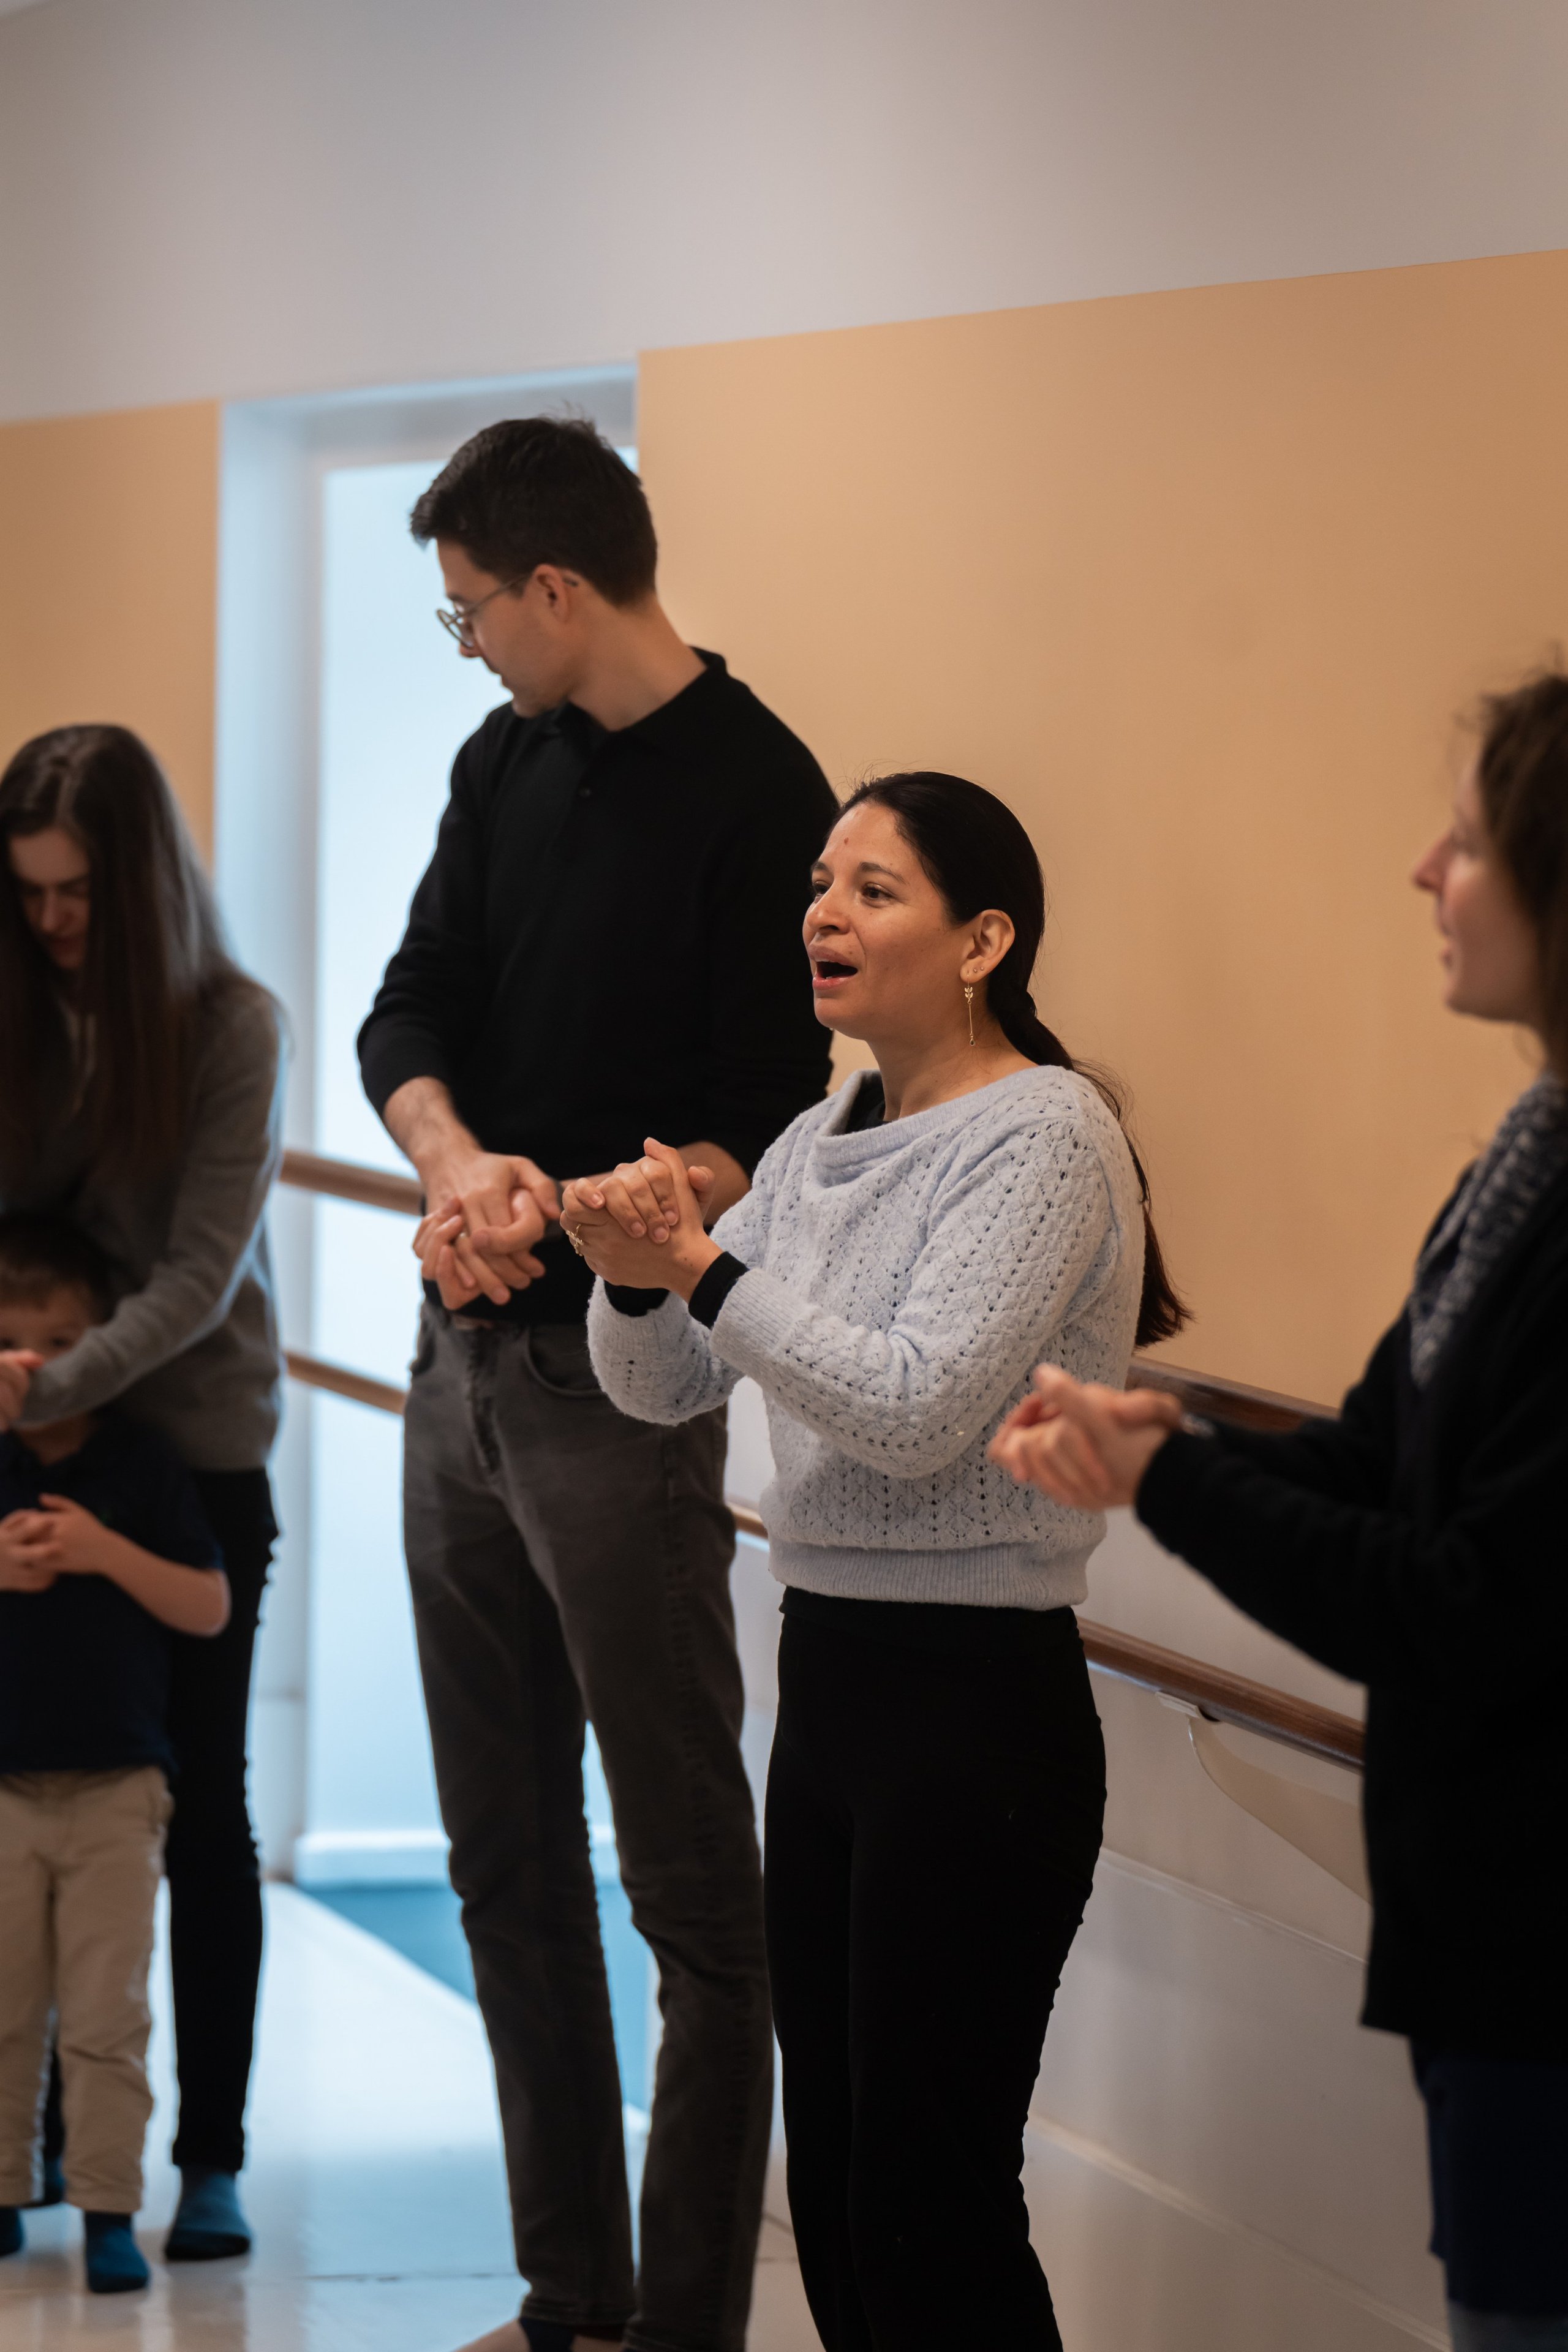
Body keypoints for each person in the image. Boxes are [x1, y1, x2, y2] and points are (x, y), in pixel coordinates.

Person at [562, 772, 1186, 2352]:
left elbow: (915, 1409)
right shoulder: (820, 1129)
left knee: (930, 2199)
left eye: (872, 889)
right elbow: (660, 1389)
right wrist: (636, 1279)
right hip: (832, 1682)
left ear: (982, 939)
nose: (821, 915)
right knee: (837, 2190)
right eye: (819, 884)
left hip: (973, 1709)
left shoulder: (1042, 1135)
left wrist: (704, 1268)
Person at [990, 676, 1568, 2352]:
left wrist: (1164, 1476)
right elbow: (1384, 1457)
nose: (1419, 872)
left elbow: (1461, 1597)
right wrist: (1164, 1431)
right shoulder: (1526, 1154)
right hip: (1494, 1936)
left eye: (1465, 841)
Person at [356, 416, 838, 2352]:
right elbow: (412, 1007)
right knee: (499, 1863)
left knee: (693, 1907)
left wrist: (615, 1201)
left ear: (560, 589)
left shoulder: (763, 790)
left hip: (621, 1391)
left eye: (472, 608)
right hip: (456, 1358)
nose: (464, 643)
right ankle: (574, 2300)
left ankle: (687, 2332)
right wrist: (458, 1165)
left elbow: (768, 1114)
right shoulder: (503, 761)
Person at [0, 725, 285, 2261]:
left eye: (79, 894)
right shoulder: (16, 1007)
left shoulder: (234, 1024)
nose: (52, 922)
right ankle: (43, 2141)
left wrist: (50, 1378)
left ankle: (211, 2161)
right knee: (30, 1792)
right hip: (30, 1443)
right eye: (28, 893)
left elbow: (199, 1269)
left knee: (202, 1817)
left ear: (147, 883)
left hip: (193, 1452)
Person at [0, 1213, 231, 2294]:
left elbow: (208, 1605)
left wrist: (100, 1550)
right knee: (5, 2014)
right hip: (6, 1791)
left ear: (108, 1339)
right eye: (14, 1343)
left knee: (107, 2017)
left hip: (117, 1792)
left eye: (62, 1339)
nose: (40, 1366)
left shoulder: (140, 1463)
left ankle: (106, 2205)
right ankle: (8, 2195)